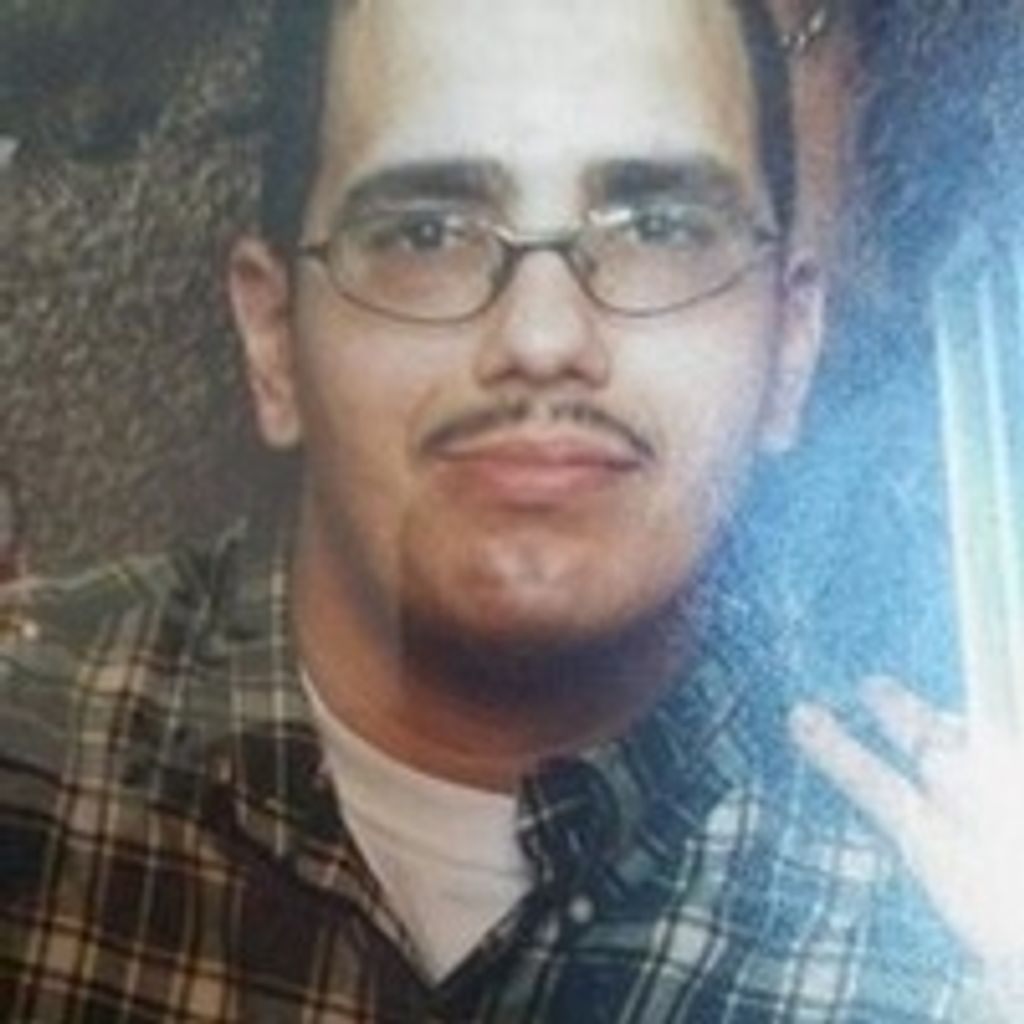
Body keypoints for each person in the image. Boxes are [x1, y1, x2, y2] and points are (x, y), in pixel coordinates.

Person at [1, 0, 1015, 1020]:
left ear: (791, 342)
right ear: (272, 337)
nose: (540, 336)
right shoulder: (32, 750)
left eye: (657, 229)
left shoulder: (945, 932)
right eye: (428, 234)